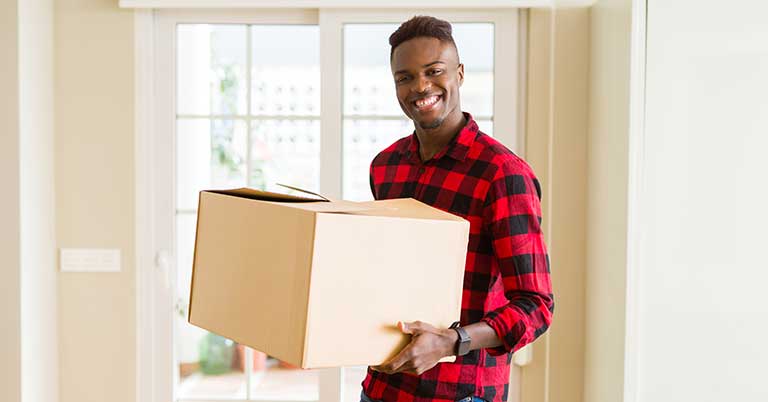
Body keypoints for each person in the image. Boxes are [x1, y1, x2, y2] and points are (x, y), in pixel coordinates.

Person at [361, 16, 555, 402]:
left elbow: (536, 306)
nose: (420, 87)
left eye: (434, 71)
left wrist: (452, 341)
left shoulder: (501, 173)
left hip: (461, 393)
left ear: (460, 74)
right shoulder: (385, 166)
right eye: (405, 77)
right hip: (383, 388)